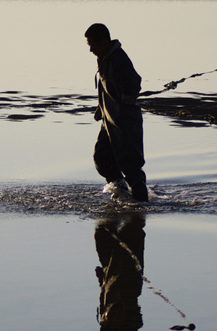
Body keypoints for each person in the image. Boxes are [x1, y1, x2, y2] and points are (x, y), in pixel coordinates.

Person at [85, 23, 148, 202]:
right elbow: (106, 87)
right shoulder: (104, 57)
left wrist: (125, 101)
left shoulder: (119, 59)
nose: (90, 49)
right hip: (109, 119)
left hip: (125, 120)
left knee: (131, 166)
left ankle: (141, 206)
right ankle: (122, 192)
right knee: (102, 158)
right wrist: (100, 107)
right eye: (89, 45)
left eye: (93, 45)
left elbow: (135, 83)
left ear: (104, 42)